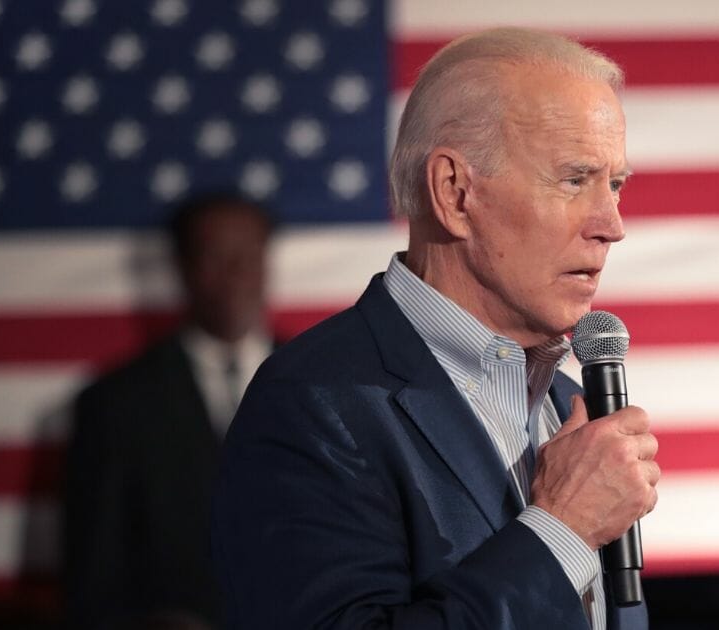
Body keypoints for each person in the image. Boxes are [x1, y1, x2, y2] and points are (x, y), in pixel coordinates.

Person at [212, 28, 658, 629]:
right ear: (454, 192)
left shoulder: (565, 403)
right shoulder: (314, 404)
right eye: (575, 179)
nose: (612, 224)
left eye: (616, 184)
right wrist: (563, 529)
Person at [64, 193, 276, 630]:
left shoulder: (327, 385)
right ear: (180, 267)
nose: (235, 275)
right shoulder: (115, 405)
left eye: (248, 255)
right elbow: (93, 582)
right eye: (215, 257)